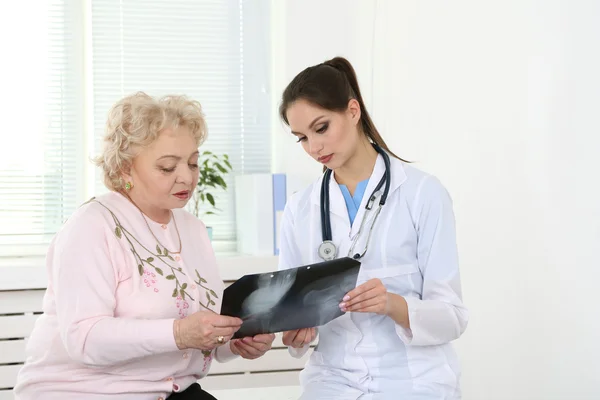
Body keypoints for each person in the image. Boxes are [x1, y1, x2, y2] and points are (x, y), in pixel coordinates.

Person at [13, 92, 275, 400]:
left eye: (192, 163)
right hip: (84, 392)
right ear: (125, 169)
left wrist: (233, 343)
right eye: (167, 167)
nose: (186, 178)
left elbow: (195, 334)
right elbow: (84, 338)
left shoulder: (192, 230)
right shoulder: (92, 226)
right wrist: (178, 333)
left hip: (172, 391)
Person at [277, 57, 469, 399]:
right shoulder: (299, 209)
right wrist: (296, 333)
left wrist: (392, 304)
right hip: (331, 379)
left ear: (353, 111)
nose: (313, 147)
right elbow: (292, 312)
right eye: (301, 138)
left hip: (413, 378)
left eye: (321, 128)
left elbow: (452, 317)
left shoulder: (422, 193)